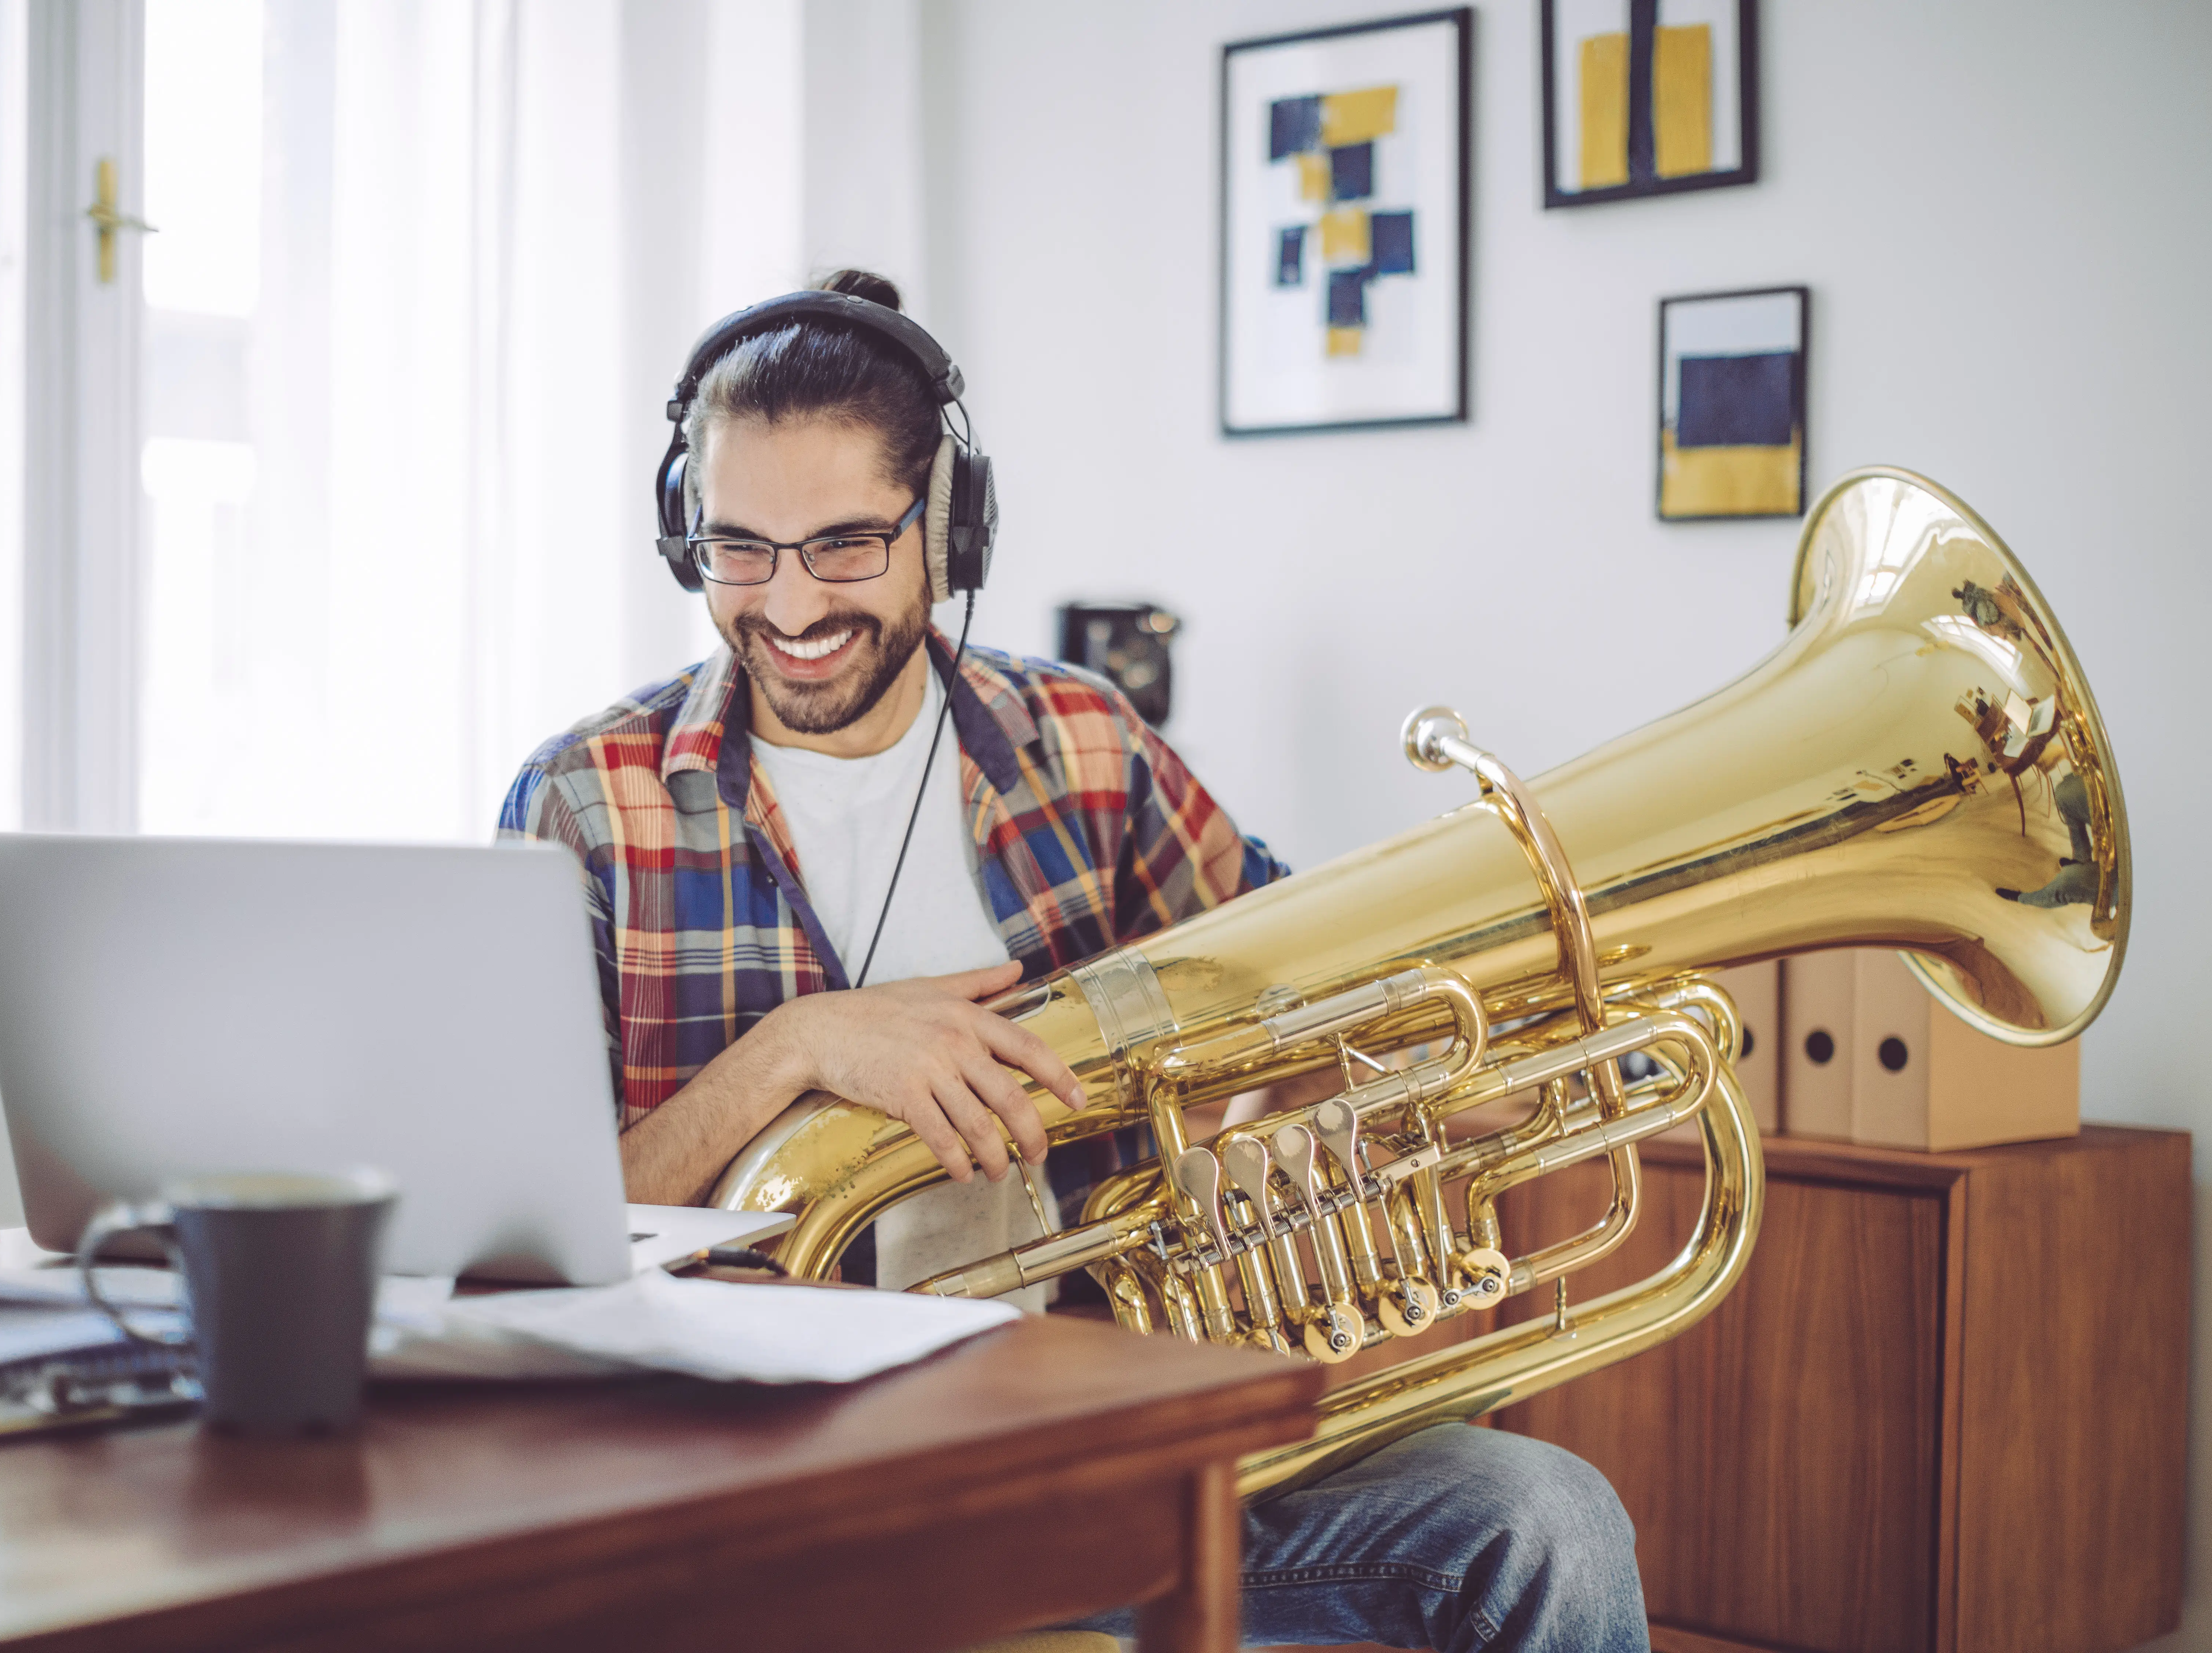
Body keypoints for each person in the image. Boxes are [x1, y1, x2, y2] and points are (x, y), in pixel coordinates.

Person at [498, 269, 1649, 1652]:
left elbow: (1312, 980)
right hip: (748, 1488)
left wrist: (1354, 1105)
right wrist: (794, 1051)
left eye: (847, 544)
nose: (788, 603)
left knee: (1545, 1522)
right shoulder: (584, 801)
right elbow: (514, 1256)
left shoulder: (1082, 749)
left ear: (952, 527)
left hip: (1078, 1447)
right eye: (739, 548)